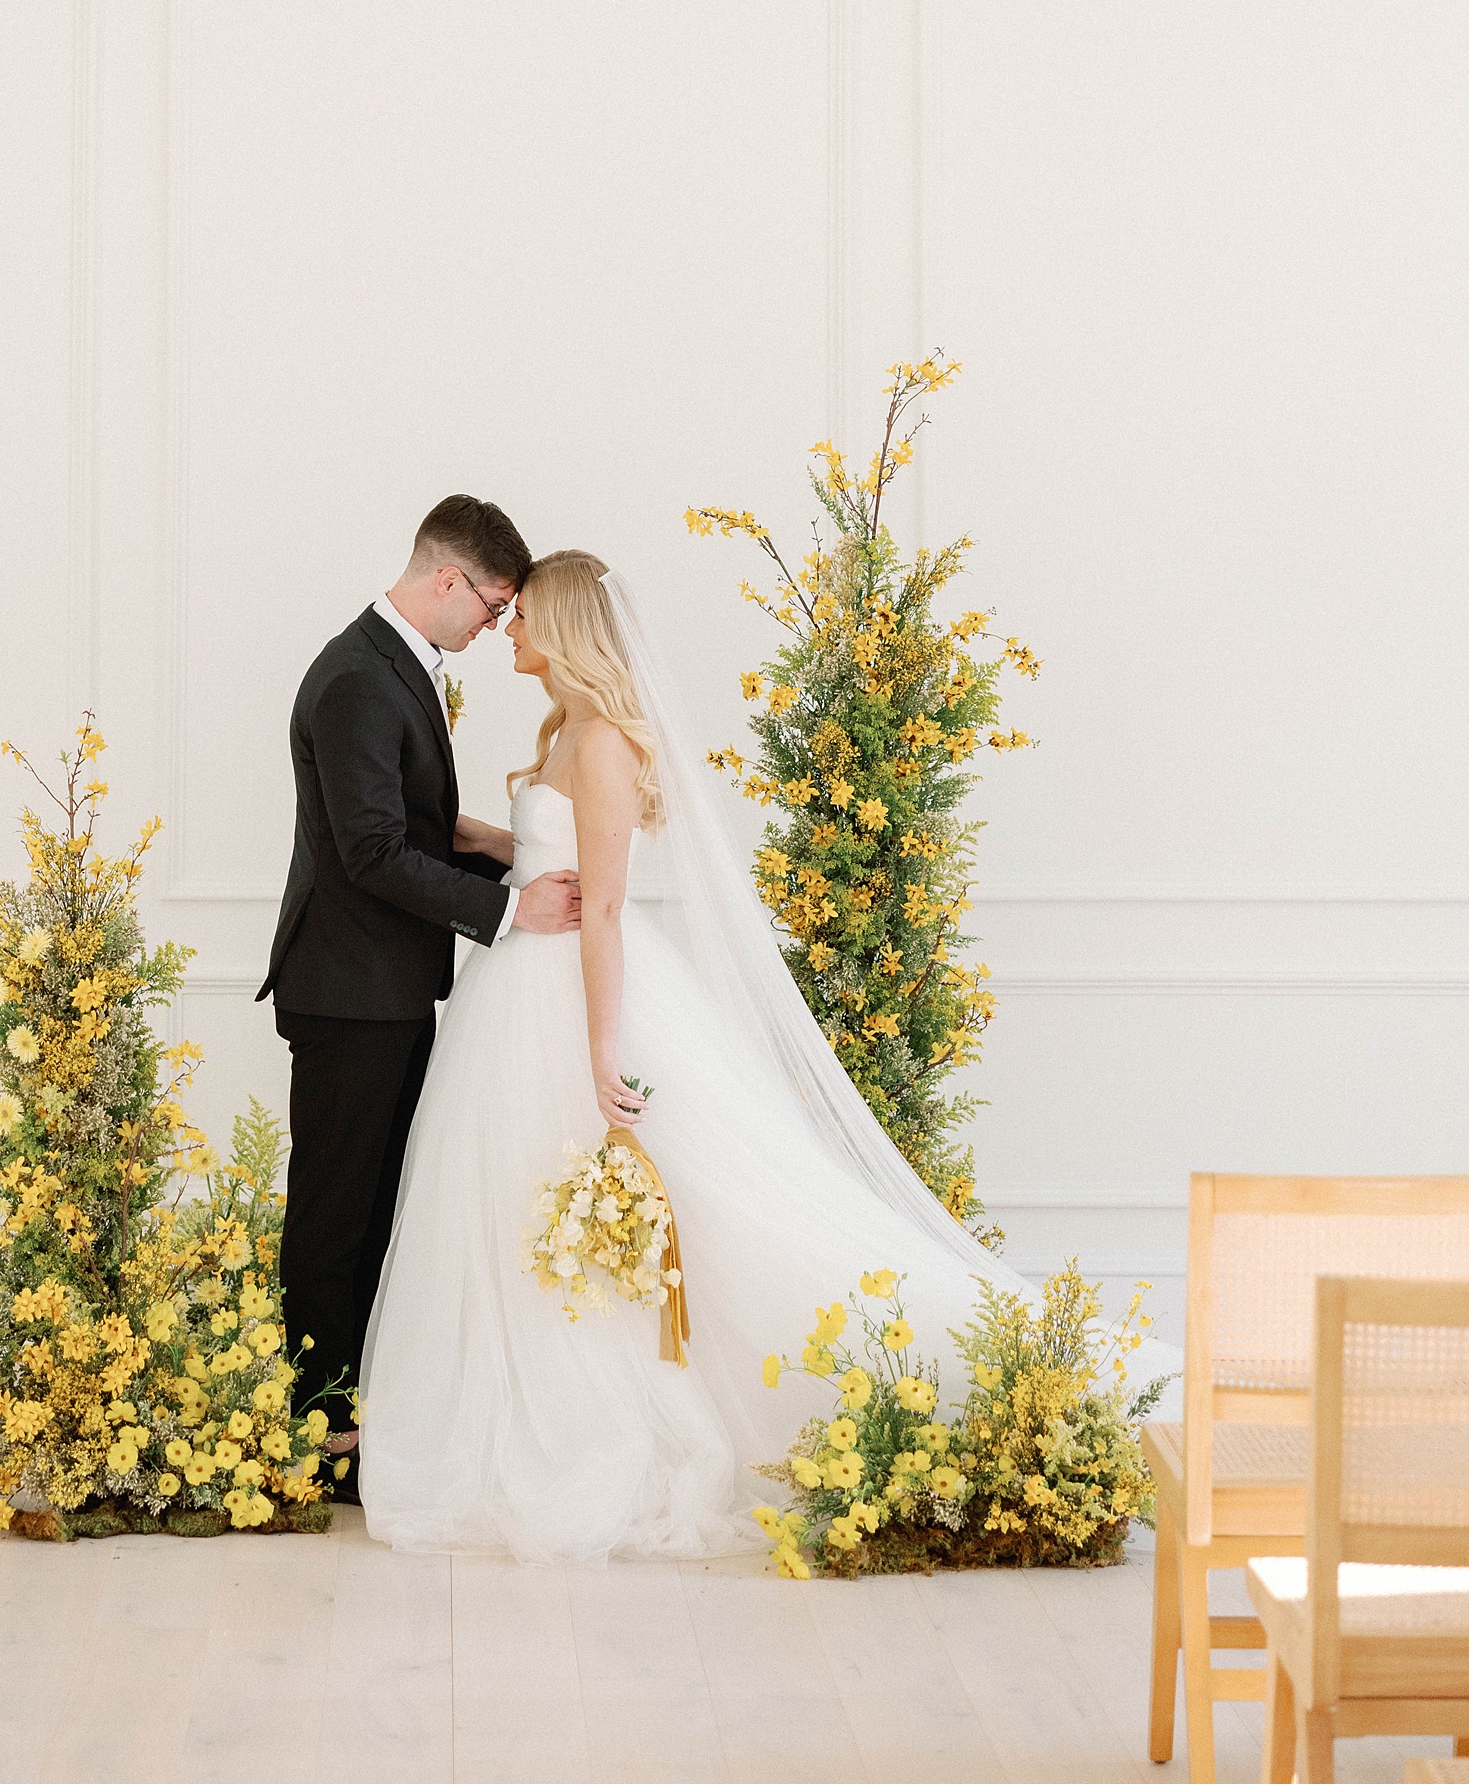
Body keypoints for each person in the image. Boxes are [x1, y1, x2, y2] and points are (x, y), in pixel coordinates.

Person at [357, 547, 1061, 1562]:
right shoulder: (565, 729)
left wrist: (602, 1051)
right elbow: (556, 858)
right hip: (521, 985)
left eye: (522, 617)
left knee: (611, 1203)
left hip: (572, 990)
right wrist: (465, 837)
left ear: (561, 629)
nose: (507, 629)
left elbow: (600, 905)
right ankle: (516, 1408)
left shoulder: (602, 742)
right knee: (510, 1208)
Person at [258, 495, 582, 1482]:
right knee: (333, 1218)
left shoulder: (391, 665)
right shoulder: (361, 676)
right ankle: (321, 1437)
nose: (492, 629)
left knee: (371, 1211)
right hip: (348, 988)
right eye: (490, 606)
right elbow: (369, 853)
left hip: (380, 986)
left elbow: (407, 824)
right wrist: (506, 912)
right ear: (448, 579)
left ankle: (354, 1419)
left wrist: (506, 856)